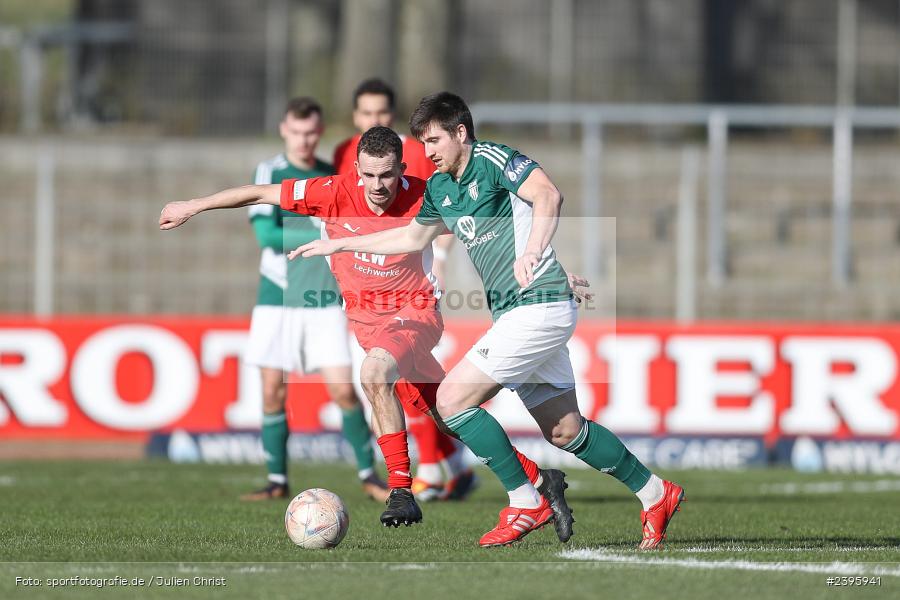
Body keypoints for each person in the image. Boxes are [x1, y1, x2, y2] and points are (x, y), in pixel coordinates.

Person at [291, 92, 686, 549]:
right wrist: (339, 245)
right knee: (564, 430)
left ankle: (525, 501)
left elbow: (547, 195)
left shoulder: (493, 159)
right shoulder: (442, 187)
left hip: (536, 306)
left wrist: (536, 252)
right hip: (524, 309)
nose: (427, 151)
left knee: (451, 400)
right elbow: (410, 238)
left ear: (461, 133)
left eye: (434, 140)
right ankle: (655, 493)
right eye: (423, 142)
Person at [159, 126, 573, 539]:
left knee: (373, 374)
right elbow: (258, 194)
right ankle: (538, 480)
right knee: (449, 417)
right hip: (368, 326)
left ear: (402, 169)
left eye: (387, 175)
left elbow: (495, 226)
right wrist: (193, 206)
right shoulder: (331, 192)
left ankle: (401, 490)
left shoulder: (427, 195)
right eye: (369, 175)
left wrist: (544, 269)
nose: (378, 186)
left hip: (416, 314)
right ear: (356, 169)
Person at [240, 97, 388, 503]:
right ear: (284, 130)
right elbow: (267, 237)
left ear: (319, 132)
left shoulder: (331, 176)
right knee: (272, 391)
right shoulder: (270, 173)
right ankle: (276, 480)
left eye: (311, 133)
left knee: (344, 391)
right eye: (297, 132)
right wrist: (327, 234)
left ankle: (369, 475)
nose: (304, 140)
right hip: (277, 298)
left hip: (322, 298)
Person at [334, 78, 458, 501]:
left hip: (408, 292)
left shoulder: (416, 155)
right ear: (356, 117)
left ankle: (426, 472)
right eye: (367, 113)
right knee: (410, 390)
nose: (375, 119)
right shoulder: (344, 154)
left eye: (382, 112)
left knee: (393, 381)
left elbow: (441, 211)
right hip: (362, 294)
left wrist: (440, 259)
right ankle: (454, 466)